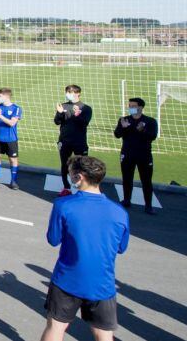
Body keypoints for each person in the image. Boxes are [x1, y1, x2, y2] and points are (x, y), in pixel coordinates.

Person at [41, 156, 129, 341]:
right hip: (102, 282)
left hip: (67, 279)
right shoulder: (119, 212)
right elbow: (121, 248)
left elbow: (53, 239)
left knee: (56, 327)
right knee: (103, 334)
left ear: (78, 177)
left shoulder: (63, 205)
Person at [114, 98, 159, 215]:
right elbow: (117, 135)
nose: (131, 108)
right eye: (130, 105)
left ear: (141, 107)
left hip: (144, 155)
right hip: (127, 154)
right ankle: (127, 200)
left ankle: (148, 205)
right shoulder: (124, 120)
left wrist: (142, 130)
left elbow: (152, 136)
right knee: (127, 178)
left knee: (146, 180)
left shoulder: (150, 121)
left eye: (133, 106)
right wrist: (123, 127)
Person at [54, 85, 92, 197]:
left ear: (78, 94)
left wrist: (77, 115)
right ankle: (66, 187)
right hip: (64, 140)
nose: (68, 94)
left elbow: (84, 123)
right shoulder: (63, 105)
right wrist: (60, 113)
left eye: (70, 92)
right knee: (65, 165)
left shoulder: (86, 108)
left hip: (79, 141)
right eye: (67, 92)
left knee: (81, 165)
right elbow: (57, 121)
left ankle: (83, 188)